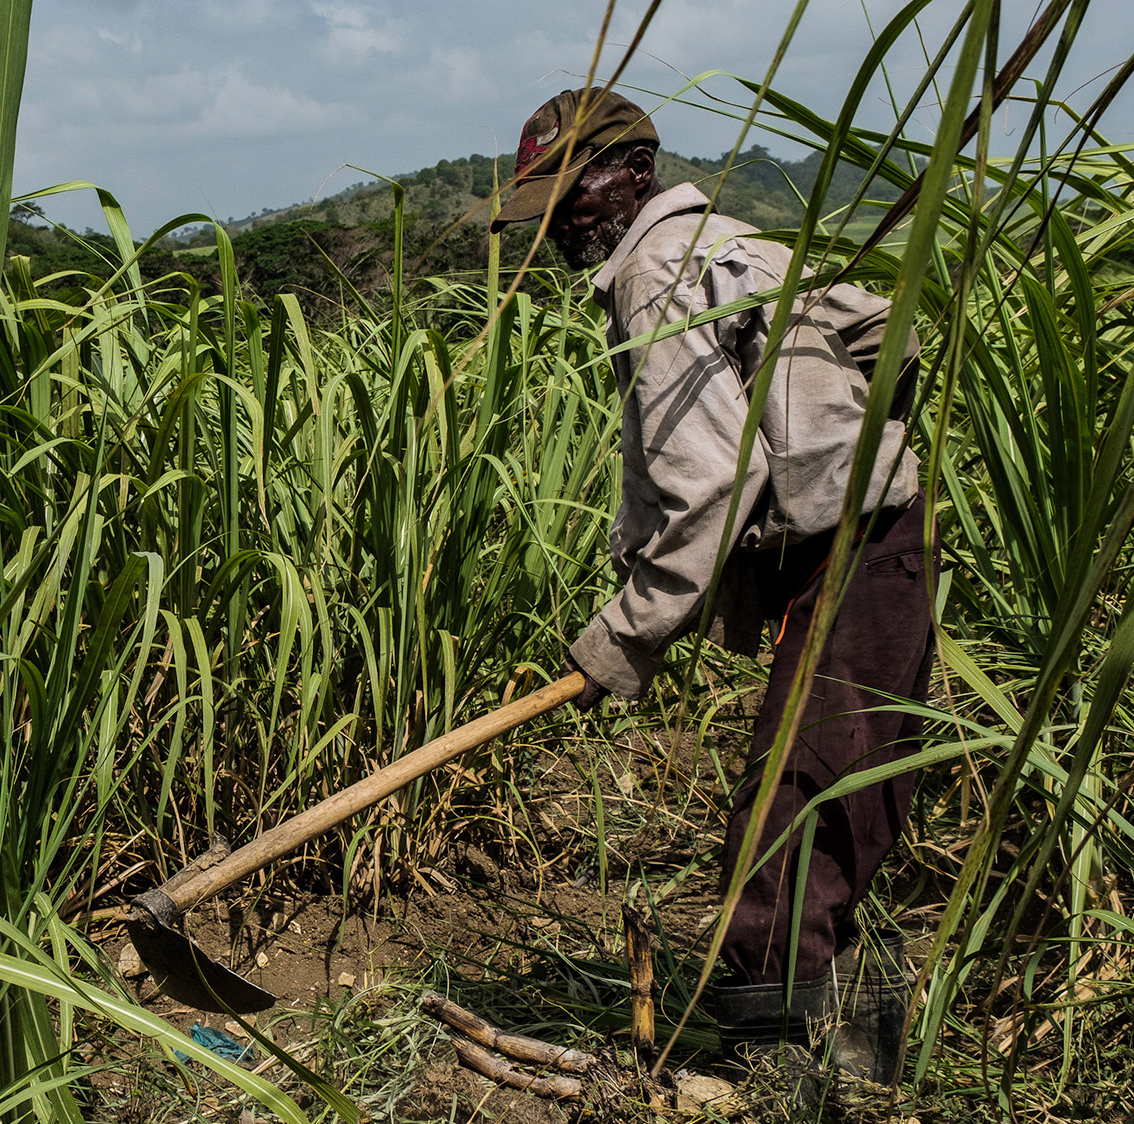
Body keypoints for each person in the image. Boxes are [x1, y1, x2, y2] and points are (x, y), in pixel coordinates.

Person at [490, 88, 937, 1088]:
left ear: (636, 173)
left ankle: (775, 1064)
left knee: (790, 808)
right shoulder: (728, 240)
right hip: (871, 543)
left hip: (855, 550)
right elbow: (889, 339)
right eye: (548, 204)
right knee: (837, 796)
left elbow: (708, 482)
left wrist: (623, 636)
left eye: (577, 191)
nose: (563, 221)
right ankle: (856, 1053)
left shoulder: (655, 264)